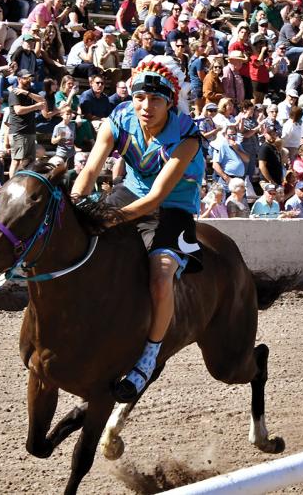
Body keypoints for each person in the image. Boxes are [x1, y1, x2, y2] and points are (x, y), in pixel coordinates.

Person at [71, 55, 205, 403]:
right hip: (129, 192)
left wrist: (107, 219)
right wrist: (75, 202)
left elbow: (157, 197)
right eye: (140, 97)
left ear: (170, 102)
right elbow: (89, 171)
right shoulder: (118, 118)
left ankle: (148, 357)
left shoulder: (188, 136)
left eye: (156, 99)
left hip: (171, 208)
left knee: (161, 275)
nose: (146, 106)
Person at [8, 69, 45, 178]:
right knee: (17, 160)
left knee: (30, 161)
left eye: (30, 78)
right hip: (19, 131)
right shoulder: (14, 93)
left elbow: (43, 101)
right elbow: (18, 110)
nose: (29, 80)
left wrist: (27, 93)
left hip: (30, 131)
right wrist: (35, 107)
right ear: (19, 79)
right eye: (26, 78)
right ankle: (11, 184)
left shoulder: (30, 91)